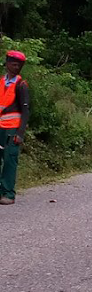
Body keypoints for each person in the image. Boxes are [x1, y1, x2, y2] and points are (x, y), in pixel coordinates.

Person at [0, 50, 29, 205]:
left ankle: (8, 194)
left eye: (19, 64)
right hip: (0, 128)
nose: (16, 66)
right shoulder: (0, 83)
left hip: (12, 129)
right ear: (7, 63)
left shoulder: (21, 85)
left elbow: (25, 111)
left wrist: (20, 133)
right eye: (13, 63)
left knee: (10, 161)